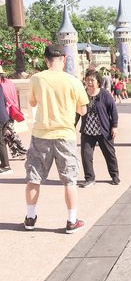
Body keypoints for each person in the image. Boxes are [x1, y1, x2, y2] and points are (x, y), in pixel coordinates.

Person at [24, 44, 89, 233]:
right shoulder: (73, 81)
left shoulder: (36, 79)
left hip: (41, 134)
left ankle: (30, 218)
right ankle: (71, 220)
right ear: (64, 59)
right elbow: (83, 109)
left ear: (46, 60)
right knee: (69, 180)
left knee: (34, 178)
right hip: (65, 135)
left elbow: (33, 102)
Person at [79, 69, 120, 188]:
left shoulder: (104, 94)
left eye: (92, 80)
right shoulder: (83, 94)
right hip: (87, 131)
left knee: (109, 154)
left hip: (103, 131)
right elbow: (77, 112)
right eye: (87, 80)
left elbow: (113, 111)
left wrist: (114, 126)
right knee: (86, 155)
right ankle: (89, 178)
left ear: (98, 82)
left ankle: (115, 176)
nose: (89, 82)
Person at [0, 65, 27, 159]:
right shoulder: (9, 83)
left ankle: (22, 151)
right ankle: (18, 153)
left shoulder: (2, 85)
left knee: (9, 133)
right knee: (7, 134)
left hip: (4, 112)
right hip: (11, 111)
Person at [0, 84, 12, 175]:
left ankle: (6, 166)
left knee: (1, 142)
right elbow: (4, 101)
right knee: (2, 142)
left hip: (1, 118)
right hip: (4, 117)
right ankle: (5, 164)